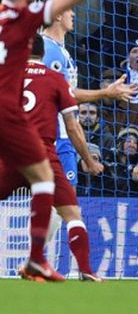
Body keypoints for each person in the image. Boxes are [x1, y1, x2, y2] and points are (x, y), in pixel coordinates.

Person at [0, 0, 137, 281]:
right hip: (27, 127)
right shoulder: (33, 29)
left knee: (46, 187)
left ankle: (38, 260)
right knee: (52, 187)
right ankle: (41, 261)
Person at [0, 36, 104, 282]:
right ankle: (86, 270)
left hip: (10, 154)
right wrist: (88, 159)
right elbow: (72, 126)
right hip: (43, 156)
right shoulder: (56, 80)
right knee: (72, 215)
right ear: (42, 53)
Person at [43, 8, 136, 190]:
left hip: (63, 134)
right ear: (57, 15)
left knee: (62, 203)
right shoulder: (50, 51)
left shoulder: (61, 51)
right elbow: (61, 95)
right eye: (69, 9)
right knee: (64, 202)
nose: (74, 15)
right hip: (55, 137)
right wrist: (105, 93)